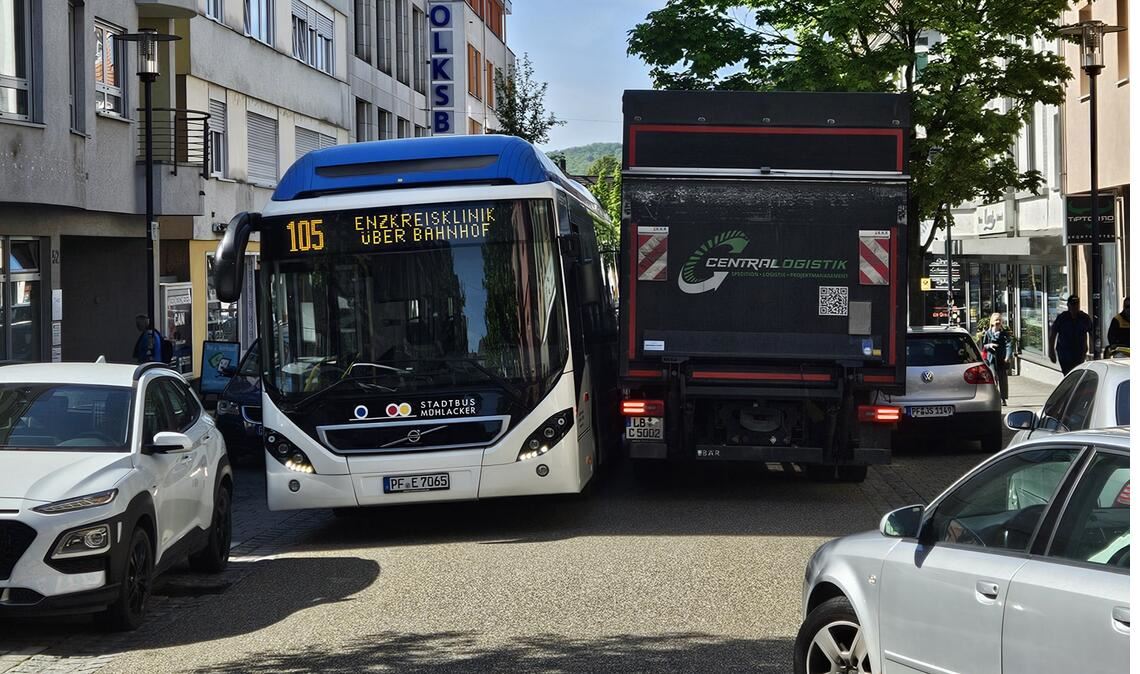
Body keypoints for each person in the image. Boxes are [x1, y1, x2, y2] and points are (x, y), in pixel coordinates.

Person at [1049, 295, 1092, 375]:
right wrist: (1051, 351)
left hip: (1079, 352)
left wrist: (1092, 351)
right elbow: (1053, 333)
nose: (1074, 307)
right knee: (1068, 374)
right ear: (1068, 305)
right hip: (1065, 354)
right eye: (1072, 305)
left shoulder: (1084, 318)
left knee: (1077, 374)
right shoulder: (1062, 318)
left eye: (1076, 305)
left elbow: (1092, 333)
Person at [980, 312, 1013, 404]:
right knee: (994, 378)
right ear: (992, 322)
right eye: (996, 320)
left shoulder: (1004, 334)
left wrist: (1007, 357)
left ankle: (1003, 398)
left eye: (999, 320)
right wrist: (989, 345)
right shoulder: (988, 333)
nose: (998, 322)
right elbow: (983, 345)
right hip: (991, 360)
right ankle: (994, 397)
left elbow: (1009, 345)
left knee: (1002, 379)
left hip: (1001, 359)